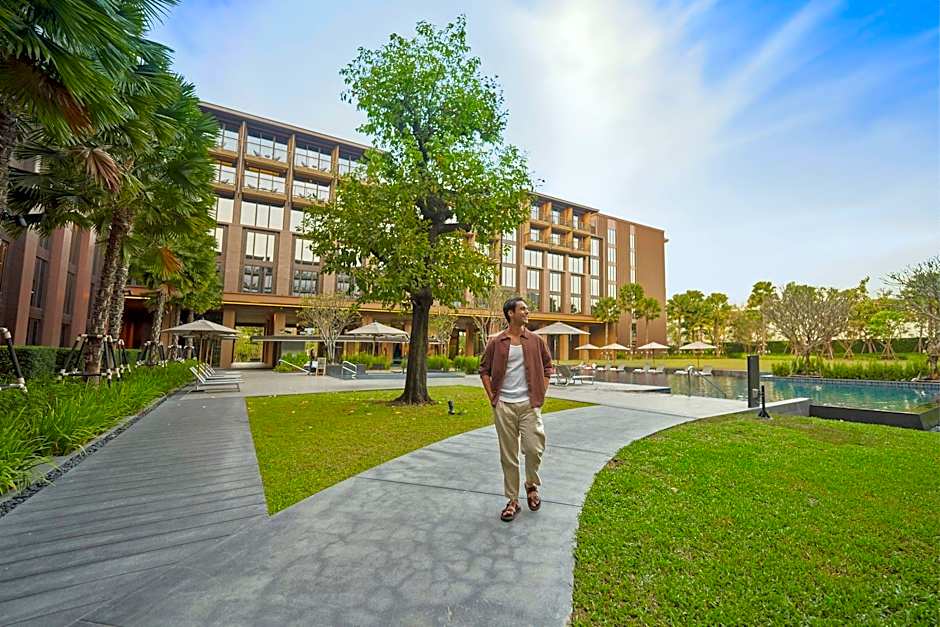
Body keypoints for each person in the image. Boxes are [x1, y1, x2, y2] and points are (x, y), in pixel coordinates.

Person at [479, 297, 554, 522]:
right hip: (504, 406)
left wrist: (541, 391)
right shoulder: (496, 342)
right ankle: (512, 500)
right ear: (510, 313)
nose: (527, 311)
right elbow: (484, 369)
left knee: (534, 449)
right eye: (523, 308)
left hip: (529, 405)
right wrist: (492, 395)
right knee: (508, 455)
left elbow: (548, 366)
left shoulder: (535, 341)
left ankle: (531, 484)